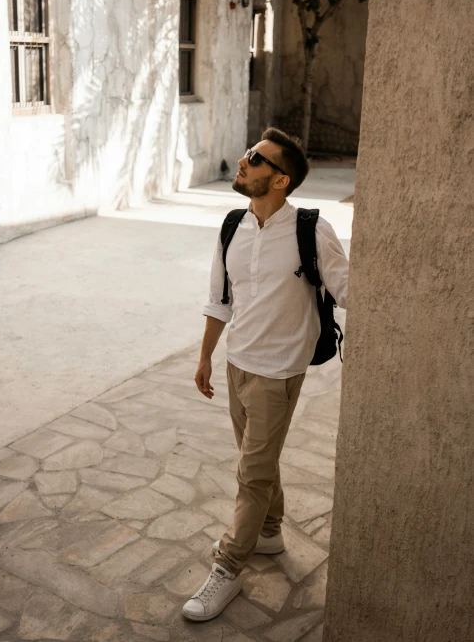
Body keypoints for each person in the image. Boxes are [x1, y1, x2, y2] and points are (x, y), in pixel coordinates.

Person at [182, 128, 349, 622]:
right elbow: (220, 297)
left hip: (279, 372)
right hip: (238, 364)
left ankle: (229, 567)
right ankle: (270, 532)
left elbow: (348, 288)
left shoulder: (311, 231)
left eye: (254, 158)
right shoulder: (233, 224)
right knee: (256, 459)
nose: (242, 160)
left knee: (252, 473)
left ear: (279, 180)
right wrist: (206, 356)